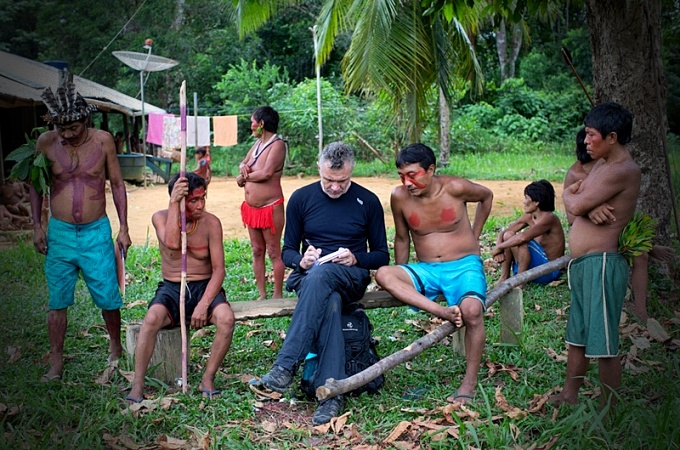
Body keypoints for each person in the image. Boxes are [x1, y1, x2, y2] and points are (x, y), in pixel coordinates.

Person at [258, 142, 389, 425]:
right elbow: (287, 250)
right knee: (327, 299)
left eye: (342, 182)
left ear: (352, 172)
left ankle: (286, 364)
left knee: (322, 275)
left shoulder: (367, 201)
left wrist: (355, 258)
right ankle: (331, 396)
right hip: (312, 277)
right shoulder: (302, 199)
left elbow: (381, 255)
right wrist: (302, 261)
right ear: (319, 169)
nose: (334, 187)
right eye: (328, 180)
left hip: (350, 277)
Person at [374, 143, 493, 406]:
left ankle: (469, 384)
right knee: (383, 274)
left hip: (464, 266)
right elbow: (402, 239)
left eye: (413, 174)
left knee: (472, 311)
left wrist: (474, 235)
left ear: (431, 169)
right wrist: (400, 273)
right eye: (401, 176)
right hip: (427, 270)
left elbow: (487, 196)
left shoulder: (455, 188)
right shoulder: (399, 197)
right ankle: (440, 311)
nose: (407, 182)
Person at [29, 81, 131, 382]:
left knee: (108, 296)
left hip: (96, 231)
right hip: (60, 233)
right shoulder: (46, 143)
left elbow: (118, 184)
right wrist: (37, 226)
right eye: (61, 128)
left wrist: (124, 227)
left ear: (85, 120)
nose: (67, 134)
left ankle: (115, 349)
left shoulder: (103, 142)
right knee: (57, 299)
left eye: (73, 127)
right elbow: (35, 185)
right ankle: (56, 360)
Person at [551, 102, 641, 408]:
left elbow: (574, 205)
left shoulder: (622, 169)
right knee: (577, 336)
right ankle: (569, 395)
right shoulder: (601, 164)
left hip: (603, 263)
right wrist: (586, 201)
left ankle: (609, 409)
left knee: (602, 343)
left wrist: (571, 197)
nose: (586, 141)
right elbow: (580, 202)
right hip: (584, 264)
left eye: (591, 135)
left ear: (612, 137)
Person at [127, 173, 235, 402]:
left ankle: (207, 379)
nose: (200, 205)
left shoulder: (211, 223)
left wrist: (203, 304)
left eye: (202, 198)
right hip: (173, 287)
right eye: (193, 200)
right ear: (177, 199)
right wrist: (173, 203)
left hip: (204, 286)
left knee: (226, 319)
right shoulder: (160, 218)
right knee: (151, 320)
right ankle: (137, 385)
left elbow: (219, 270)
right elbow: (173, 242)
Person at [564, 129, 674, 322]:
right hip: (596, 231)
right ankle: (648, 246)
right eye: (587, 141)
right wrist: (589, 208)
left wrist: (587, 204)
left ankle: (641, 309)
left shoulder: (606, 166)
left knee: (641, 254)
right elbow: (574, 211)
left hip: (617, 224)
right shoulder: (577, 172)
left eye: (593, 139)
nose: (589, 145)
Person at [236, 106, 287, 300]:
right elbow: (245, 162)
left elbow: (266, 173)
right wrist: (242, 168)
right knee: (257, 250)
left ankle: (277, 295)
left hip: (270, 207)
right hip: (252, 209)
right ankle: (261, 294)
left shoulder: (278, 145)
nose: (251, 126)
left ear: (262, 124)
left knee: (273, 251)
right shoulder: (257, 144)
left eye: (253, 122)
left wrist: (243, 179)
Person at [492, 180, 565, 286]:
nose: (523, 201)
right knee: (509, 236)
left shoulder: (549, 218)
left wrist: (499, 248)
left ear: (536, 202)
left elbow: (523, 238)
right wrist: (499, 248)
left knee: (521, 240)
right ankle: (504, 277)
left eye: (526, 198)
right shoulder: (529, 216)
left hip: (548, 271)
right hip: (532, 269)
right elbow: (506, 232)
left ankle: (520, 283)